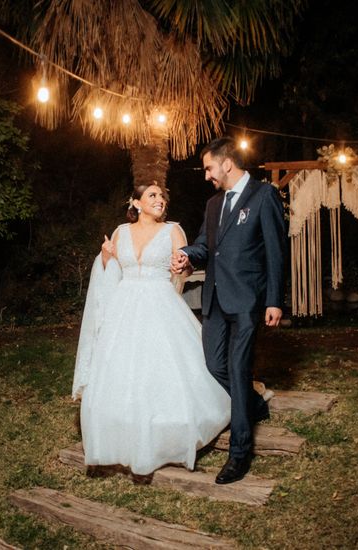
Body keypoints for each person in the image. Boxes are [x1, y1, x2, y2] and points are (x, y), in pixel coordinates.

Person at [73, 182, 230, 476]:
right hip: (124, 307)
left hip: (160, 304)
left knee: (162, 367)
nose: (160, 200)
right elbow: (112, 273)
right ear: (136, 203)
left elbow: (184, 270)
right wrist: (106, 257)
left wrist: (181, 266)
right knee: (121, 369)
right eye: (152, 196)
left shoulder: (173, 231)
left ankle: (165, 431)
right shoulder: (120, 232)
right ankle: (122, 428)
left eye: (162, 196)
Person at [171, 137, 287, 484]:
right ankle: (252, 403)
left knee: (238, 367)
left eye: (208, 168)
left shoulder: (263, 195)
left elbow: (276, 251)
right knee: (212, 364)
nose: (206, 176)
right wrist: (188, 254)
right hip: (214, 300)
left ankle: (239, 453)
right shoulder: (212, 204)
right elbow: (206, 247)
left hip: (248, 299)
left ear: (226, 163)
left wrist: (274, 299)